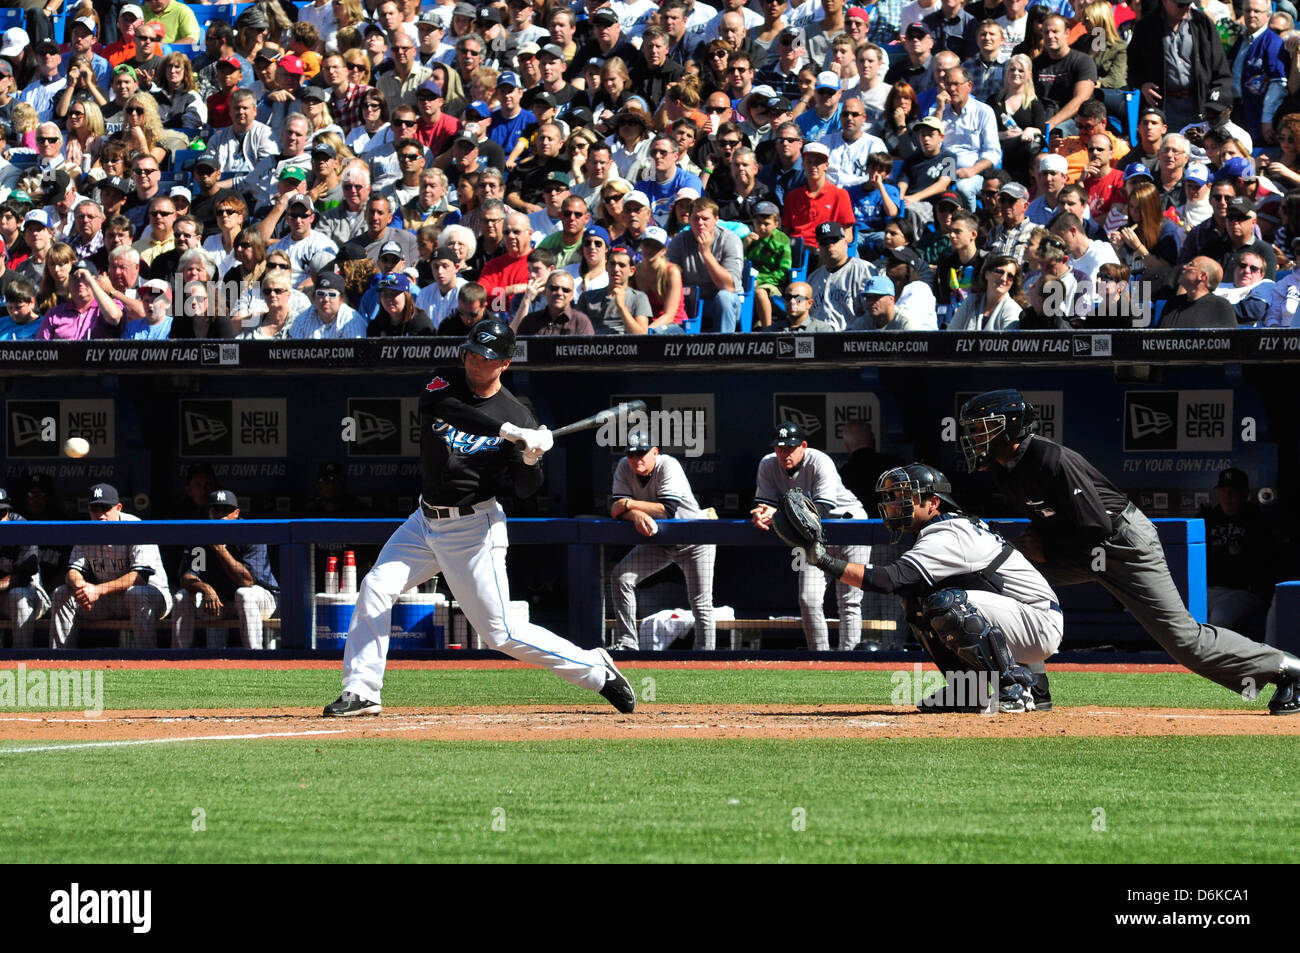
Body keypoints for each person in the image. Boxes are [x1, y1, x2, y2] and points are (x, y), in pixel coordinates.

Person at [323, 318, 636, 716]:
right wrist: (511, 432)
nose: (474, 361)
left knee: (500, 634)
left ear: (504, 363)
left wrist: (531, 458)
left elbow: (525, 489)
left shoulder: (518, 413)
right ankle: (362, 690)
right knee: (376, 586)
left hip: (473, 529)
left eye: (486, 356)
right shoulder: (445, 382)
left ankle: (596, 669)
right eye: (471, 352)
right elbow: (449, 411)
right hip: (424, 520)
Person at [957, 389, 1300, 716]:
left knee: (1183, 641)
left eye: (981, 430)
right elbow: (1052, 516)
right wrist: (1034, 544)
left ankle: (1286, 670)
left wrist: (1046, 549)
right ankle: (1028, 686)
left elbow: (1095, 525)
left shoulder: (1050, 457)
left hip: (1123, 543)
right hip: (1082, 549)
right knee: (998, 584)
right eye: (972, 431)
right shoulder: (1003, 471)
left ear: (1011, 428)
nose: (974, 439)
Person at [777, 462, 1060, 711]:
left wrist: (823, 559)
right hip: (1019, 619)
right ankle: (968, 690)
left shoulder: (948, 533)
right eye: (893, 497)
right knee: (916, 600)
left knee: (946, 605)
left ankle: (1015, 687)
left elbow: (887, 580)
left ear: (933, 503)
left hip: (1037, 621)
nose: (894, 504)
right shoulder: (943, 528)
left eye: (904, 497)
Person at [749, 422, 869, 652]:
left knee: (849, 601)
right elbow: (766, 505)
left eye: (791, 448)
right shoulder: (767, 464)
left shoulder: (819, 461)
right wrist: (762, 514)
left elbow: (821, 511)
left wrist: (778, 514)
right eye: (780, 447)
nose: (785, 453)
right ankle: (819, 658)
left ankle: (851, 660)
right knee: (808, 599)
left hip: (849, 526)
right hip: (812, 537)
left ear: (803, 446)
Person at [608, 429, 717, 652]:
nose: (636, 459)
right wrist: (635, 514)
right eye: (632, 454)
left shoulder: (668, 465)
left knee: (700, 603)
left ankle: (706, 656)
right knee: (621, 577)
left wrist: (628, 506)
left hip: (695, 542)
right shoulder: (623, 467)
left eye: (642, 453)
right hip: (659, 544)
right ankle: (628, 643)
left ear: (655, 452)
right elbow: (615, 508)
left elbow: (666, 510)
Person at [48, 483, 172, 650]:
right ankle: (59, 659)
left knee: (137, 594)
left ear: (118, 507)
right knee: (62, 593)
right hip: (108, 600)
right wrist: (81, 585)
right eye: (94, 509)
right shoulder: (87, 531)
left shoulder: (137, 527)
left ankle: (146, 659)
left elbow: (140, 577)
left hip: (153, 597)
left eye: (105, 508)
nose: (100, 514)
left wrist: (97, 590)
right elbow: (72, 571)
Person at [173, 489, 280, 650]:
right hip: (220, 600)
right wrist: (206, 588)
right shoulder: (201, 539)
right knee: (182, 597)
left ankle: (255, 656)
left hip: (261, 598)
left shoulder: (251, 534)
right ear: (208, 513)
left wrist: (219, 549)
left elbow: (246, 581)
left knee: (244, 594)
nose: (221, 515)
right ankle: (178, 658)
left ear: (236, 513)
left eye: (226, 510)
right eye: (216, 510)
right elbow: (188, 576)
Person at [0, 487, 50, 648]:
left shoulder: (20, 527)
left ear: (8, 510)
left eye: (1, 513)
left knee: (18, 594)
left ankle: (22, 657)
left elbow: (22, 577)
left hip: (30, 595)